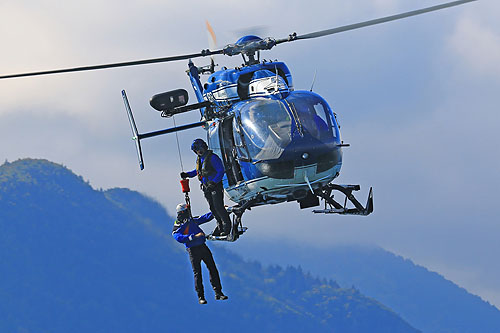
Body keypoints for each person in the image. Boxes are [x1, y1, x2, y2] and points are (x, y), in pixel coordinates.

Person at [172, 203, 228, 304]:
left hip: (202, 246)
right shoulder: (178, 224)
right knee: (197, 273)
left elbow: (204, 218)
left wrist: (218, 210)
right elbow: (177, 237)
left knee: (212, 268)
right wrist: (193, 236)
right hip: (192, 250)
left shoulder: (191, 219)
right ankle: (201, 296)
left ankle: (218, 293)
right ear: (183, 212)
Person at [180, 138, 232, 237]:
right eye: (196, 150)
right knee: (212, 208)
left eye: (200, 148)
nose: (199, 151)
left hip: (215, 187)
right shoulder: (199, 160)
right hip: (206, 187)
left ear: (204, 147)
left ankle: (227, 228)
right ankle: (220, 226)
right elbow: (198, 171)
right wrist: (187, 174)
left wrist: (214, 182)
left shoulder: (213, 158)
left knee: (219, 207)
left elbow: (220, 171)